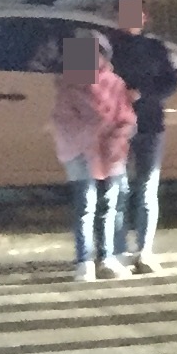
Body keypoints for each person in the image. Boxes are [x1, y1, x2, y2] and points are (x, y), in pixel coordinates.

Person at [107, 0, 177, 275]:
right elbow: (80, 84)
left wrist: (142, 93)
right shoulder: (105, 46)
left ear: (144, 17)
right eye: (124, 13)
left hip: (150, 123)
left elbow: (171, 82)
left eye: (136, 13)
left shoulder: (155, 47)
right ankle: (114, 252)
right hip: (113, 126)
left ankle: (144, 251)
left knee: (146, 188)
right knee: (115, 190)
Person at [48, 27, 136, 283]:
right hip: (80, 153)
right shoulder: (68, 86)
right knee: (86, 206)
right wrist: (97, 128)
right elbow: (64, 122)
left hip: (112, 152)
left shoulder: (115, 83)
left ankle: (107, 257)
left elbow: (126, 117)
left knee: (109, 205)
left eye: (96, 53)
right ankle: (84, 261)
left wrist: (116, 136)